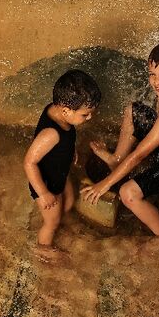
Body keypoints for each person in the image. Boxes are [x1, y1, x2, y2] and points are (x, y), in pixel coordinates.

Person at [81, 42, 159, 236]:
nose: (157, 82)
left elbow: (138, 155)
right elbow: (158, 123)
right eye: (152, 74)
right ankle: (115, 159)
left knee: (128, 194)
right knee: (132, 111)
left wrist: (105, 184)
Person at [24, 69, 101, 254]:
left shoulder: (58, 110)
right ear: (65, 110)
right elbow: (29, 162)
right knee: (52, 222)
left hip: (59, 171)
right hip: (47, 183)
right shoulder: (51, 134)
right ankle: (43, 250)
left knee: (69, 202)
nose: (90, 117)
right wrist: (43, 193)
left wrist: (69, 150)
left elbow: (66, 137)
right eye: (85, 115)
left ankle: (62, 223)